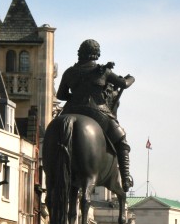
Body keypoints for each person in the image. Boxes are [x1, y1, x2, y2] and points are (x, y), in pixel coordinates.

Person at [56, 39, 135, 190]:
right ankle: (125, 178)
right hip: (97, 112)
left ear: (80, 53)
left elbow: (61, 95)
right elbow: (123, 84)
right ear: (96, 54)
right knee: (122, 141)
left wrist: (76, 96)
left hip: (71, 110)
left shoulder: (69, 72)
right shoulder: (103, 71)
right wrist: (131, 78)